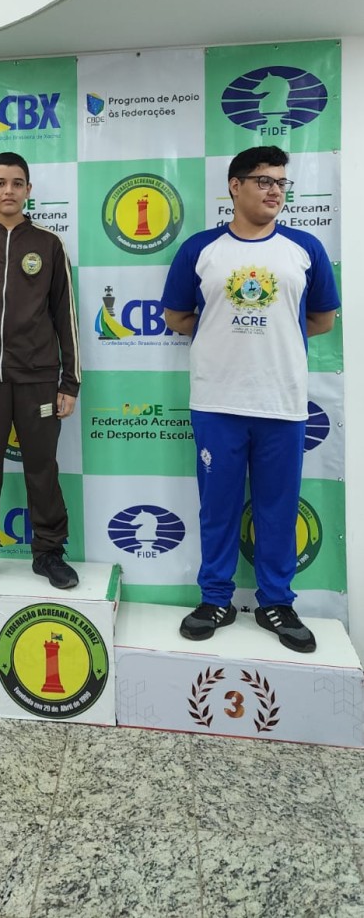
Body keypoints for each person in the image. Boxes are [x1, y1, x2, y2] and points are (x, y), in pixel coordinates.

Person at [162, 145, 339, 653]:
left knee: (277, 509)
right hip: (217, 402)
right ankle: (215, 597)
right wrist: (226, 338)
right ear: (235, 187)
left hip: (282, 403)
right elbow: (177, 316)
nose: (274, 191)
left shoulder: (304, 248)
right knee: (216, 508)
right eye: (263, 181)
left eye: (281, 182)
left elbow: (322, 319)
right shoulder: (201, 250)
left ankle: (276, 602)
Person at [0, 151, 81, 590]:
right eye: (0, 183)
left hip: (38, 377)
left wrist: (69, 381)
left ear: (28, 190)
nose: (9, 190)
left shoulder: (48, 245)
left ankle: (49, 553)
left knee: (41, 466)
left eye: (17, 183)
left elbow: (66, 318)